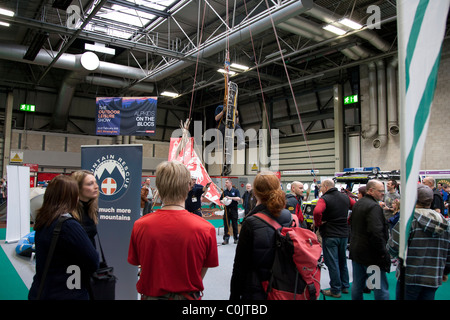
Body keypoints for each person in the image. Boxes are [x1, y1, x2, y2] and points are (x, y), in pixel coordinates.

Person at [128, 161, 218, 300]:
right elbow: (203, 269)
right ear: (189, 186)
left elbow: (138, 263)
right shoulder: (206, 229)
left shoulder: (140, 225)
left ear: (158, 186)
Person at [28, 175, 99, 300]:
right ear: (72, 197)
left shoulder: (43, 220)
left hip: (41, 290)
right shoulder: (68, 226)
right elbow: (93, 260)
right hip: (67, 293)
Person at [230, 171, 293, 300]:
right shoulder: (290, 217)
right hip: (286, 286)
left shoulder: (251, 222)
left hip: (257, 289)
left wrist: (234, 296)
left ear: (255, 192)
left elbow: (240, 267)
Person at [388, 184, 450, 300]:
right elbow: (448, 252)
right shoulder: (444, 222)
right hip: (433, 276)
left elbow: (393, 248)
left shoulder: (408, 221)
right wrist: (445, 271)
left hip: (410, 276)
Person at [313, 179, 355, 298]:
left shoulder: (324, 199)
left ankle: (335, 290)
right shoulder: (346, 197)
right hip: (344, 234)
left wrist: (319, 223)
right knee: (342, 260)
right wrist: (348, 221)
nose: (320, 189)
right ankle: (345, 286)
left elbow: (317, 212)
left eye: (321, 187)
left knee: (332, 262)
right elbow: (356, 207)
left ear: (326, 187)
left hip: (330, 234)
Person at [349, 180, 390, 300]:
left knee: (357, 285)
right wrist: (382, 252)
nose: (383, 193)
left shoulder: (358, 203)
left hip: (357, 252)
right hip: (371, 256)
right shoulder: (373, 207)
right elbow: (376, 233)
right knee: (379, 288)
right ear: (371, 190)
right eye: (381, 191)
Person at [71, 170, 99, 247]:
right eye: (90, 184)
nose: (96, 186)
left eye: (95, 182)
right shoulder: (69, 214)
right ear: (78, 188)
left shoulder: (92, 210)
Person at [220, 179, 241, 245]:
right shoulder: (224, 192)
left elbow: (238, 198)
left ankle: (236, 238)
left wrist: (230, 198)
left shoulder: (235, 190)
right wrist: (223, 201)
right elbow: (220, 200)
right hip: (226, 210)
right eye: (225, 183)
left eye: (227, 182)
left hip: (234, 209)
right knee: (226, 225)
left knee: (235, 224)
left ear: (230, 183)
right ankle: (226, 239)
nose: (225, 184)